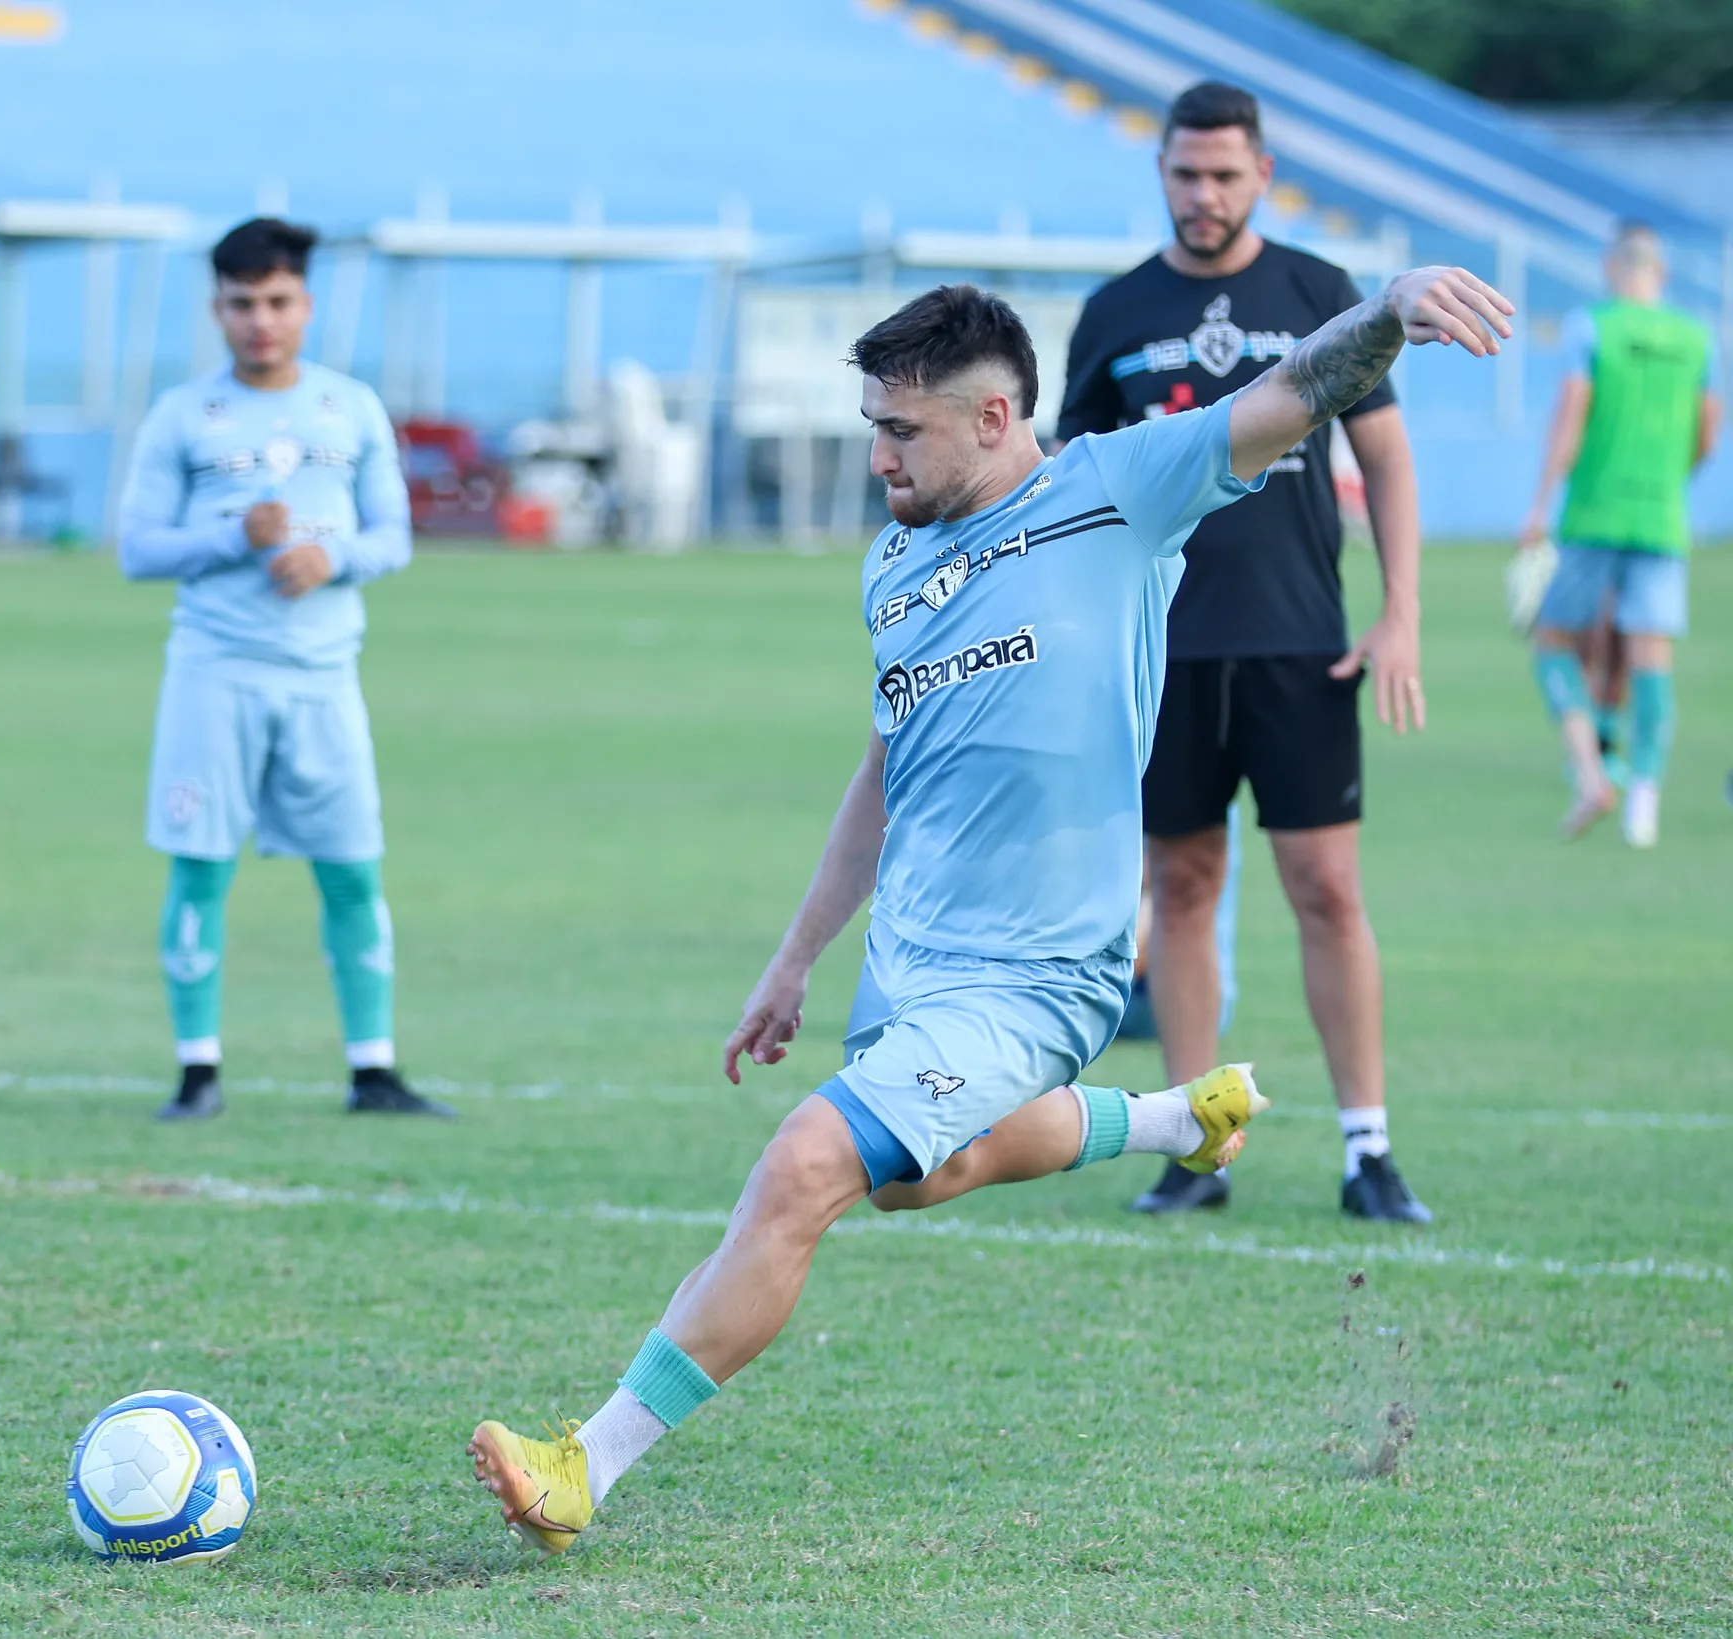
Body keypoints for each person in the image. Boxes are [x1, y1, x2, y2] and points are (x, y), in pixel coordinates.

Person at [466, 265, 1512, 1555]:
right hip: (912, 960)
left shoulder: (1117, 491)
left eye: (898, 431)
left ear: (994, 416)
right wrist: (795, 957)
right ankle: (1173, 1117)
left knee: (804, 1166)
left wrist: (1389, 311)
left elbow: (1287, 391)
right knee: (915, 1178)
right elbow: (881, 771)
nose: (877, 456)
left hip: (1044, 966)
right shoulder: (893, 563)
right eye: (870, 427)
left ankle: (588, 1463)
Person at [1056, 81, 1430, 1224]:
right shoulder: (1115, 311)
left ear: (1261, 173)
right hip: (1160, 652)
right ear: (1160, 173)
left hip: (1298, 642)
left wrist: (1398, 609)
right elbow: (1076, 491)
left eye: (1223, 175)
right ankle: (1190, 1141)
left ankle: (1366, 1149)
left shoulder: (1316, 292)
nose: (1203, 194)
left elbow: (1390, 458)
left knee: (1325, 889)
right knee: (1177, 887)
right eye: (1184, 174)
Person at [117, 217, 449, 1121]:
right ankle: (197, 1071)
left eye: (276, 301)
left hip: (321, 677)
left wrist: (328, 557)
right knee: (199, 867)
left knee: (351, 868)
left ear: (304, 304)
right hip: (213, 673)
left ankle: (372, 1068)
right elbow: (137, 548)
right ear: (217, 309)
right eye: (240, 304)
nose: (259, 321)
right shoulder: (183, 414)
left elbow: (393, 535)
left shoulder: (351, 407)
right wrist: (236, 537)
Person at [1519, 221, 1722, 848]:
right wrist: (1670, 480)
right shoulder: (1697, 337)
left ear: (1613, 269)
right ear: (1660, 273)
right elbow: (1708, 432)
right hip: (1661, 516)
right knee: (1650, 659)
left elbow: (1570, 414)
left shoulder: (1592, 326)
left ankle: (1591, 772)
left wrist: (1540, 501)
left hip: (1592, 514)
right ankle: (1646, 802)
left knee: (1554, 641)